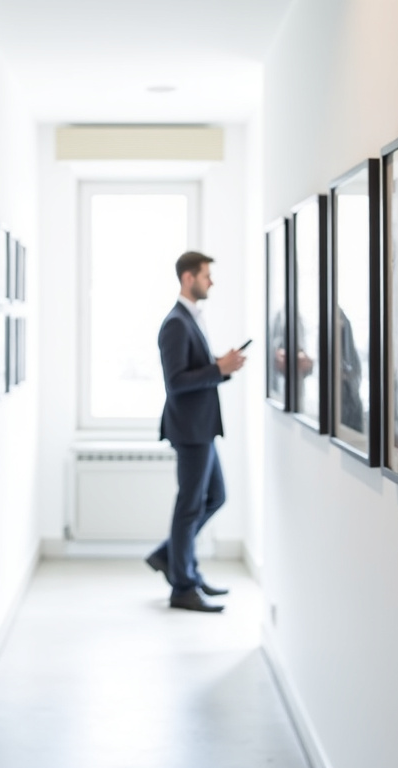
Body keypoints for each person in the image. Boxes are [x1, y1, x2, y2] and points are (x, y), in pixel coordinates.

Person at [144, 251, 246, 612]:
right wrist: (219, 368)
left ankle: (172, 558)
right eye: (206, 275)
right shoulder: (175, 323)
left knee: (214, 497)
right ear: (188, 278)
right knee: (190, 507)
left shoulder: (190, 318)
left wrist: (221, 365)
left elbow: (194, 369)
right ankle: (183, 586)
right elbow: (176, 382)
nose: (211, 282)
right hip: (190, 430)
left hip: (201, 429)